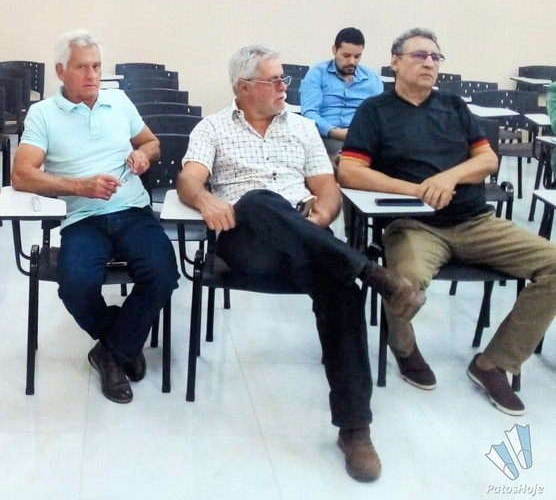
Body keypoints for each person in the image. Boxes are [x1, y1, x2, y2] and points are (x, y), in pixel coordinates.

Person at [176, 44, 425, 483]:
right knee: (258, 200)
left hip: (307, 238)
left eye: (283, 79)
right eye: (273, 80)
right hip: (246, 243)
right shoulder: (212, 127)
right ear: (243, 87)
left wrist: (323, 215)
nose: (283, 87)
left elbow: (327, 188)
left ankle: (355, 428)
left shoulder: (304, 127)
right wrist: (205, 199)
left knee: (341, 291)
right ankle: (371, 272)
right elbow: (189, 180)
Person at [338, 27, 556, 417]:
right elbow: (350, 171)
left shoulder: (454, 107)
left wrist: (449, 178)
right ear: (395, 61)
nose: (429, 63)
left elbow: (488, 160)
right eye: (419, 55)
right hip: (414, 225)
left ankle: (494, 364)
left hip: (475, 221)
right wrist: (417, 190)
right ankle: (404, 349)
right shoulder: (375, 111)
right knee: (404, 282)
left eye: (435, 57)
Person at [11, 30, 180, 404]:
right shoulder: (43, 113)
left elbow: (151, 142)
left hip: (133, 211)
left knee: (164, 274)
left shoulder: (118, 101)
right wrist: (79, 186)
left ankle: (110, 352)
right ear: (61, 71)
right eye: (82, 67)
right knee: (75, 284)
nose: (92, 75)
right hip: (82, 217)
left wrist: (143, 155)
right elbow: (21, 175)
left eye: (97, 66)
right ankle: (122, 342)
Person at [300, 27, 383, 156]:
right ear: (334, 50)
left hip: (361, 138)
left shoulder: (372, 79)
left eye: (357, 56)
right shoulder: (317, 73)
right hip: (324, 137)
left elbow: (380, 116)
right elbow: (309, 113)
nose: (352, 61)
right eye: (346, 56)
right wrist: (334, 132)